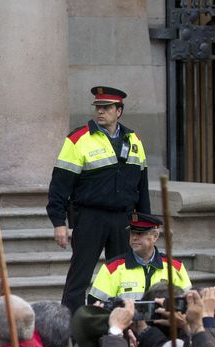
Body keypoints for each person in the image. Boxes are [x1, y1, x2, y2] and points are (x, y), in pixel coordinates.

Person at [47, 86, 150, 312]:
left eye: (106, 108)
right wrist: (58, 222)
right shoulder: (78, 139)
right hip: (90, 217)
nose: (100, 112)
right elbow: (60, 184)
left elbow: (142, 187)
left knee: (123, 277)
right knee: (79, 277)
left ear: (118, 111)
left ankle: (121, 325)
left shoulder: (133, 139)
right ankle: (70, 329)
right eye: (98, 107)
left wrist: (145, 225)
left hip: (123, 219)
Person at [88, 214, 191, 304]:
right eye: (132, 232)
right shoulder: (112, 269)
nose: (134, 237)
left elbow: (188, 302)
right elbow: (96, 308)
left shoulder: (175, 267)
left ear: (155, 236)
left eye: (140, 233)